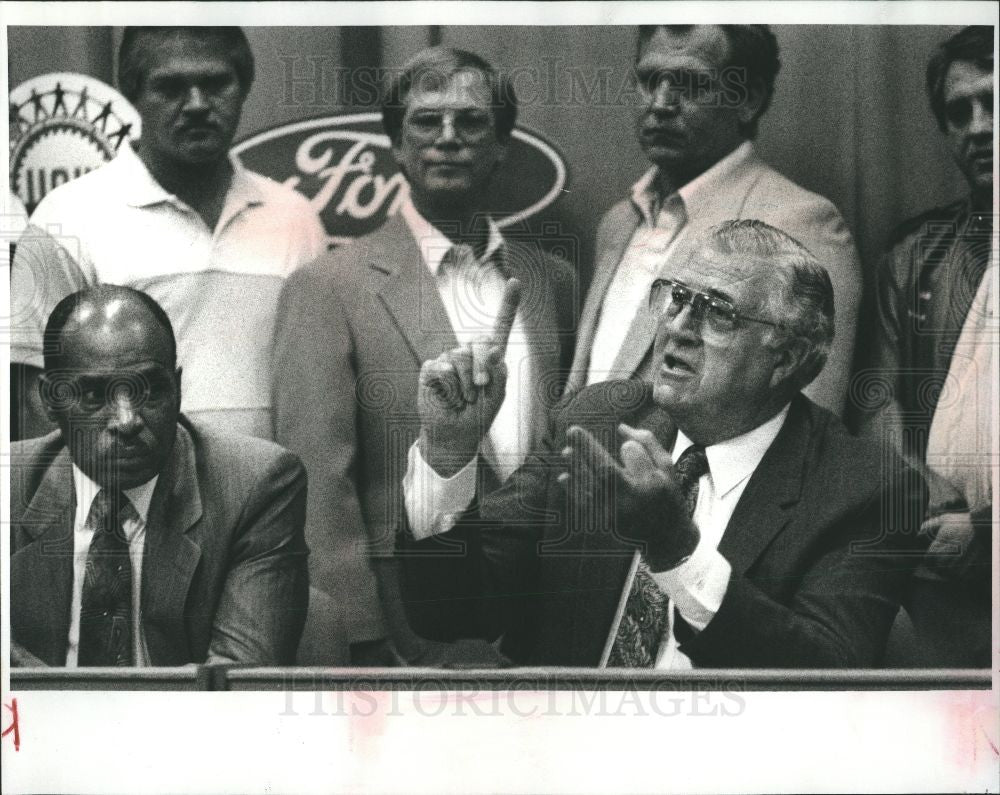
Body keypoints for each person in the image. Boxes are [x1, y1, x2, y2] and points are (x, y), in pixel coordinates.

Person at [403, 220, 924, 667]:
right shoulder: (597, 422)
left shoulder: (865, 489)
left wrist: (677, 549)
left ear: (786, 359)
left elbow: (828, 679)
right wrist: (448, 453)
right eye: (677, 298)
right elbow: (453, 609)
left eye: (718, 312)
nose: (677, 328)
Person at [273, 46, 576, 665]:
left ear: (500, 145)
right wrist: (358, 634)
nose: (447, 139)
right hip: (404, 621)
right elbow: (318, 482)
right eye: (425, 121)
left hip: (544, 616)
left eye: (470, 122)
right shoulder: (329, 286)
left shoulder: (554, 281)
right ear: (395, 142)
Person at [10, 26, 326, 442]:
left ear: (244, 86)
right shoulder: (65, 218)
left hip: (269, 498)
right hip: (131, 499)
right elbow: (37, 402)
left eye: (216, 83)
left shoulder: (296, 218)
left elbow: (319, 394)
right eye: (170, 86)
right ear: (133, 93)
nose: (196, 104)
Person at [568, 25, 861, 417]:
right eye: (649, 79)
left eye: (690, 83)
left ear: (748, 99)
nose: (660, 102)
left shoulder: (801, 223)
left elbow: (806, 437)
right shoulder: (618, 223)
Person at [10, 286, 309, 668]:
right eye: (94, 395)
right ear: (51, 401)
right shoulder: (11, 486)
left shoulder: (256, 486)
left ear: (177, 388)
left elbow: (237, 679)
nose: (127, 420)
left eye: (148, 390)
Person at [866, 26, 993, 667]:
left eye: (996, 103)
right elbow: (878, 402)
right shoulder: (916, 255)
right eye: (958, 112)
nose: (978, 127)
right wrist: (937, 513)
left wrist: (990, 534)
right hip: (932, 589)